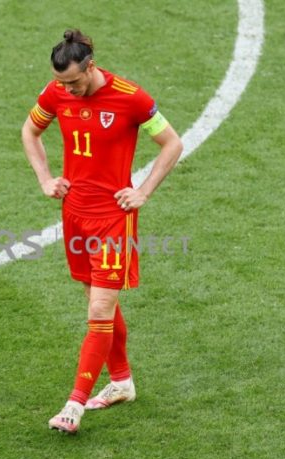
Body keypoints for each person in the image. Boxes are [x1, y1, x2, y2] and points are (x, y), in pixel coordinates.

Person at [21, 29, 183, 434]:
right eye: (62, 83)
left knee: (98, 311)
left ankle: (74, 405)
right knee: (98, 300)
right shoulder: (56, 92)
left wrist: (143, 190)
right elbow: (30, 132)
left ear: (90, 67)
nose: (68, 91)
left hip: (113, 218)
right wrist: (45, 179)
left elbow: (172, 144)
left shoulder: (131, 97)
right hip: (74, 214)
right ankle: (122, 382)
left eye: (74, 82)